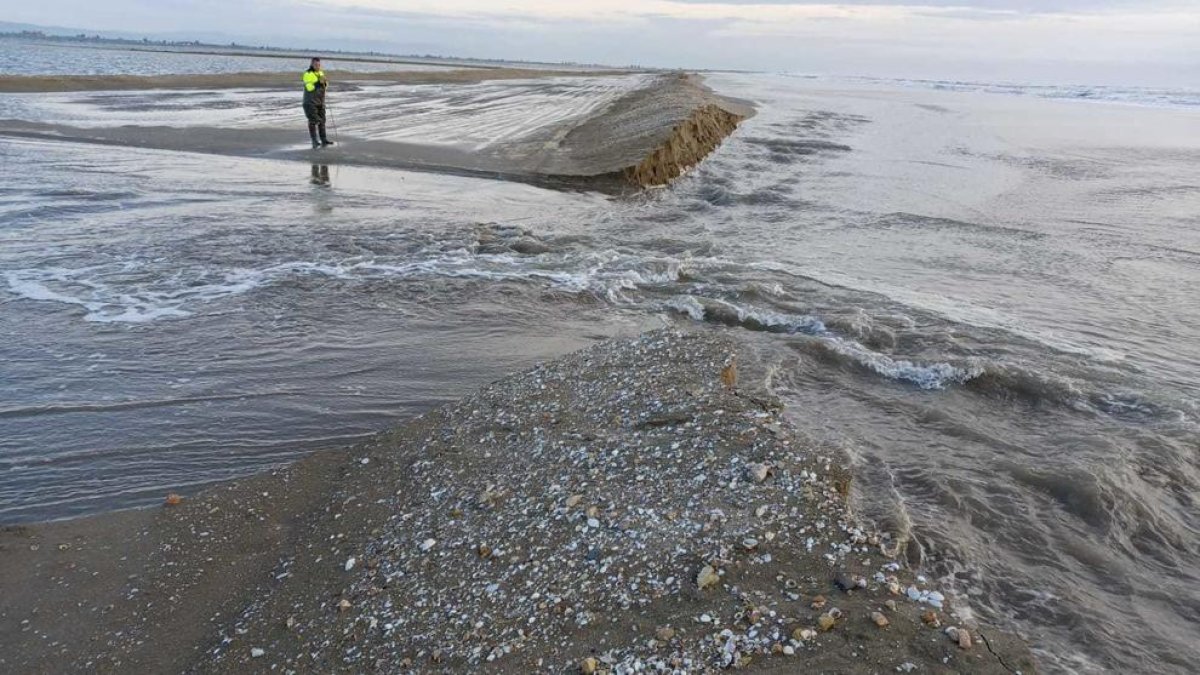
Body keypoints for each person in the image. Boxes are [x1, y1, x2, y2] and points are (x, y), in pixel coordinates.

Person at [302, 58, 333, 149]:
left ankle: (324, 140)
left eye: (319, 65)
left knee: (322, 121)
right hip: (310, 102)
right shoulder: (307, 74)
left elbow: (325, 85)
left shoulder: (321, 73)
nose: (318, 66)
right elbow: (309, 87)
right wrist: (318, 83)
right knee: (314, 121)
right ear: (312, 64)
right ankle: (314, 141)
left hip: (320, 102)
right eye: (316, 65)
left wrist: (325, 82)